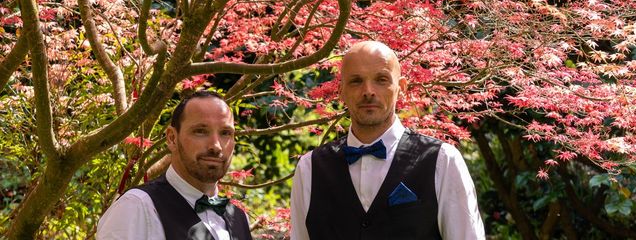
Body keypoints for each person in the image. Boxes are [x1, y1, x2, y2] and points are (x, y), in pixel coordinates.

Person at [290, 41, 485, 240]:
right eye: (356, 81)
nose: (368, 91)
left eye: (381, 79)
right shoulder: (309, 168)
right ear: (341, 91)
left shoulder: (442, 161)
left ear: (401, 87)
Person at [97, 91, 252, 240]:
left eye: (225, 133)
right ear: (172, 138)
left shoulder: (239, 217)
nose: (216, 146)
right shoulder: (137, 207)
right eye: (200, 131)